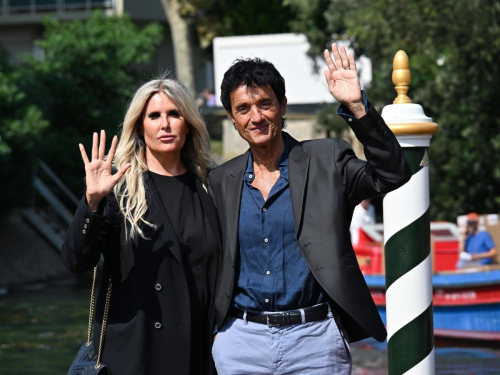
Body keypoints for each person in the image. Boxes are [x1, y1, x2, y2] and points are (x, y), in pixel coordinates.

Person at [207, 44, 411, 374]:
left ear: (282, 105)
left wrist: (357, 107)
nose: (256, 117)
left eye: (264, 104)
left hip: (315, 342)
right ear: (232, 117)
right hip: (240, 342)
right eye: (243, 108)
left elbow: (393, 174)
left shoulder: (328, 159)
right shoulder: (220, 180)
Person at [62, 78, 221, 375]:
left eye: (174, 114)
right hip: (136, 353)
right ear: (139, 127)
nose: (165, 124)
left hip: (200, 351)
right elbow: (75, 260)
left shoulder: (212, 186)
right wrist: (92, 202)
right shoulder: (119, 191)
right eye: (154, 116)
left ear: (188, 124)